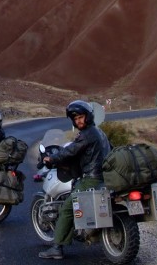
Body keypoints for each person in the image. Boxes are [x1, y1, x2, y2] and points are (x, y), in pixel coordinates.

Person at [38, 100, 112, 260]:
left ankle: (57, 248)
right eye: (76, 118)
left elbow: (70, 151)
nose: (78, 121)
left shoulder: (87, 135)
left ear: (88, 117)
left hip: (91, 179)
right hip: (104, 177)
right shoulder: (99, 132)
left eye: (81, 117)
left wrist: (51, 159)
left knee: (66, 209)